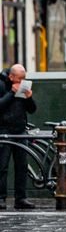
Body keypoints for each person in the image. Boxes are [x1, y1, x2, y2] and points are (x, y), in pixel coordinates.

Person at [0, 64, 37, 210]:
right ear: (11, 77)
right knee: (2, 167)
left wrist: (29, 98)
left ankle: (21, 198)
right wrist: (11, 93)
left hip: (20, 130)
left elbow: (32, 109)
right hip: (4, 130)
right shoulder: (2, 85)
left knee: (22, 166)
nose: (22, 81)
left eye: (24, 78)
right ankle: (1, 198)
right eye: (20, 78)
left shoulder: (23, 85)